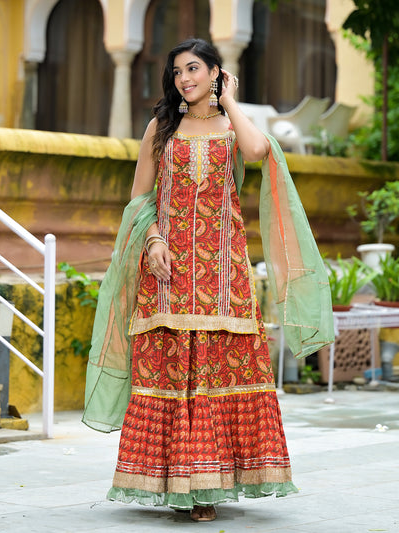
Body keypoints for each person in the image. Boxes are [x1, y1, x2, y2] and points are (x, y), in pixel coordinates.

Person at [82, 38, 334, 523]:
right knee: (174, 373)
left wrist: (231, 100)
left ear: (215, 71)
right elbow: (139, 199)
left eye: (194, 68)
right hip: (168, 269)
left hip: (224, 273)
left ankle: (210, 487)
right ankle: (174, 482)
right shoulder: (161, 128)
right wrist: (153, 239)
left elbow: (260, 150)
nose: (184, 79)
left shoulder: (230, 126)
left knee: (218, 373)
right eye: (177, 71)